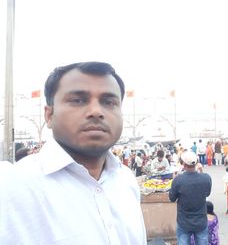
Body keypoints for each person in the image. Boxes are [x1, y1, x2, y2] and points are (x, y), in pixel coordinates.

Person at [0, 62, 147, 244]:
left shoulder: (126, 181)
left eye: (109, 102)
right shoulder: (11, 187)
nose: (96, 111)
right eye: (78, 100)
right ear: (49, 115)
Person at [169, 151, 212, 245]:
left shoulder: (178, 180)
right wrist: (202, 172)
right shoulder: (206, 178)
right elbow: (207, 193)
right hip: (201, 221)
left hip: (184, 222)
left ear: (183, 164)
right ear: (196, 163)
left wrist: (173, 180)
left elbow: (172, 198)